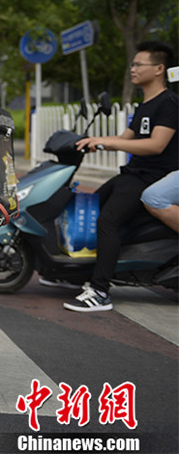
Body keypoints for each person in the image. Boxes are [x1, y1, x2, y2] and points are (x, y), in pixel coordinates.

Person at [67, 41, 178, 312]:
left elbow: (156, 145)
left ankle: (100, 291)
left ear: (159, 69)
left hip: (154, 176)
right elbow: (124, 138)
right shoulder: (144, 105)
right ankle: (80, 273)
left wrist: (110, 144)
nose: (133, 69)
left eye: (139, 64)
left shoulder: (169, 103)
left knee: (108, 221)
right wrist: (93, 142)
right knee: (94, 204)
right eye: (133, 64)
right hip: (135, 173)